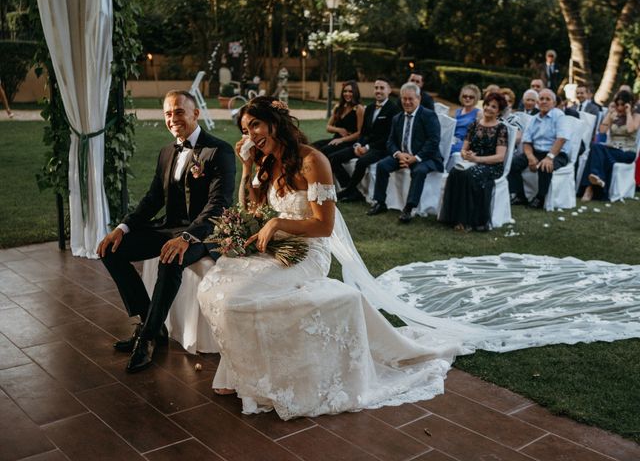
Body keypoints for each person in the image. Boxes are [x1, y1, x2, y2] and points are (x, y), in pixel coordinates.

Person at [196, 96, 462, 419]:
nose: (250, 134)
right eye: (245, 129)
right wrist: (247, 167)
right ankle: (240, 372)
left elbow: (324, 226)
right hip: (277, 247)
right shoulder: (265, 161)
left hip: (308, 252)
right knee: (214, 285)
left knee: (237, 297)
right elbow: (252, 209)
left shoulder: (313, 161)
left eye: (255, 125)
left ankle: (258, 380)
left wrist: (278, 223)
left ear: (275, 123)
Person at [97, 90, 236, 373]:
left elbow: (219, 204)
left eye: (179, 112)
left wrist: (187, 237)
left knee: (170, 258)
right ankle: (153, 324)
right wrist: (122, 228)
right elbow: (152, 200)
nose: (173, 119)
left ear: (195, 114)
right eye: (168, 114)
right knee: (112, 251)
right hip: (169, 226)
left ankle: (146, 339)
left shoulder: (218, 150)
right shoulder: (166, 152)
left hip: (203, 233)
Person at [367, 82, 442, 223]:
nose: (407, 102)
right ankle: (380, 202)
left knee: (419, 171)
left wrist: (415, 158)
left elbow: (433, 141)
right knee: (382, 165)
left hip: (425, 157)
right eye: (404, 99)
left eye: (410, 99)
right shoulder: (398, 118)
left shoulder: (428, 115)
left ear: (418, 99)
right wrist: (398, 154)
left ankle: (409, 208)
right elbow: (390, 142)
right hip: (402, 155)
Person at [439, 92, 509, 231]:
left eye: (493, 107)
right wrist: (466, 154)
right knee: (455, 172)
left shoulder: (501, 128)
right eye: (487, 105)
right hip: (472, 162)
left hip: (492, 166)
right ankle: (454, 218)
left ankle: (469, 221)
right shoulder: (473, 125)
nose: (488, 108)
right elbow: (464, 149)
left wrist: (477, 159)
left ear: (499, 111)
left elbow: (500, 157)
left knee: (471, 175)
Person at [332, 76, 401, 202]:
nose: (378, 91)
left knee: (362, 162)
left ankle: (348, 191)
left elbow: (388, 136)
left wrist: (367, 147)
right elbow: (363, 132)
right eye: (376, 88)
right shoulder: (369, 108)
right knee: (333, 158)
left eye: (381, 88)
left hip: (381, 148)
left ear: (389, 90)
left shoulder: (394, 109)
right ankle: (353, 191)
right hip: (363, 146)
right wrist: (357, 145)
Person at [508, 88, 571, 209]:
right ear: (537, 102)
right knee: (513, 163)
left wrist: (549, 157)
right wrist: (530, 157)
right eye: (541, 99)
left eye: (548, 99)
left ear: (553, 103)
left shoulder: (559, 115)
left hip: (557, 153)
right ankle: (520, 195)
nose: (544, 101)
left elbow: (561, 139)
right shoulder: (533, 119)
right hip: (536, 152)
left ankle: (540, 198)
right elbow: (526, 141)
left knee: (545, 166)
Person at [580, 90, 639, 201]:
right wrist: (609, 115)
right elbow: (602, 131)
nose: (620, 107)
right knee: (596, 147)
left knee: (598, 151)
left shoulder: (636, 116)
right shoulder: (614, 115)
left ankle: (589, 188)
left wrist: (628, 113)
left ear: (629, 104)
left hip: (627, 152)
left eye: (623, 104)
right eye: (618, 104)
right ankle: (594, 181)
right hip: (612, 149)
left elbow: (631, 129)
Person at [312, 80, 365, 158]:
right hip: (335, 139)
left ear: (355, 92)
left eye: (350, 91)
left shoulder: (359, 108)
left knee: (323, 151)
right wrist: (339, 130)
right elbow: (328, 127)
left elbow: (359, 133)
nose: (347, 94)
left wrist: (342, 140)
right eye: (345, 91)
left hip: (348, 142)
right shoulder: (338, 107)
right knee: (313, 146)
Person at [452, 84, 481, 155]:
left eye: (471, 97)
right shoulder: (457, 111)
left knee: (449, 148)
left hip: (466, 143)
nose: (467, 98)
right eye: (465, 96)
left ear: (476, 98)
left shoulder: (478, 113)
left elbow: (479, 135)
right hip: (453, 139)